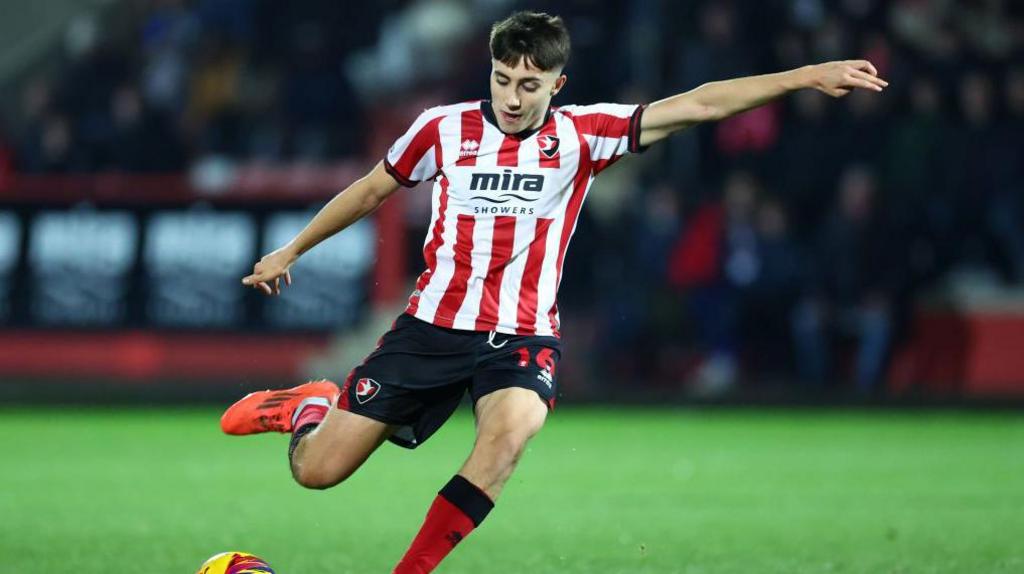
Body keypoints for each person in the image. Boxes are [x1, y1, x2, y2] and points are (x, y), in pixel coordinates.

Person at [219, 11, 887, 573]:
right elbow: (372, 188)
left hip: (521, 335)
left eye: (529, 84)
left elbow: (703, 102)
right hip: (429, 329)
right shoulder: (442, 129)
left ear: (557, 84)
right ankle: (308, 409)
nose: (512, 96)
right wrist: (293, 248)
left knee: (510, 435)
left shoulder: (583, 135)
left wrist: (807, 75)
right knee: (317, 472)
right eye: (502, 79)